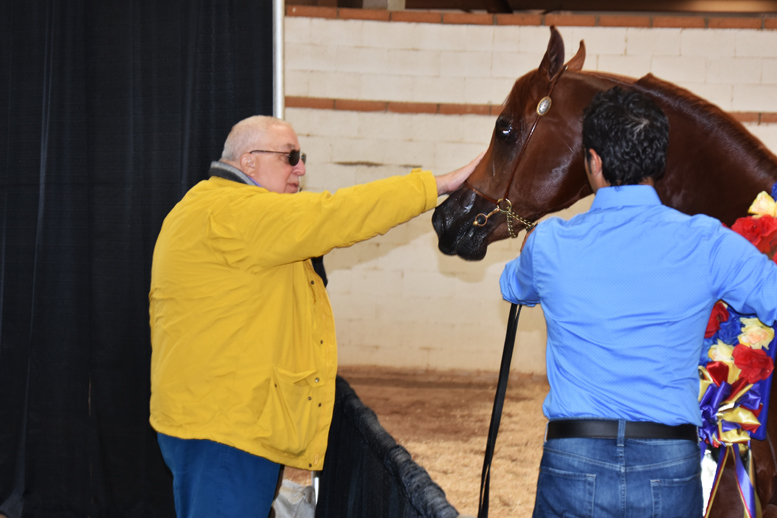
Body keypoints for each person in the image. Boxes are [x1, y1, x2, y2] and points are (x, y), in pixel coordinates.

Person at [148, 115, 483, 518]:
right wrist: (437, 185)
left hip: (215, 424)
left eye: (301, 157)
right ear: (249, 161)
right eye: (290, 157)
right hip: (227, 434)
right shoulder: (236, 211)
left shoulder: (212, 208)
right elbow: (335, 213)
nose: (301, 169)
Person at [500, 87, 777, 517]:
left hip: (575, 457)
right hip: (667, 460)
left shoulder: (550, 244)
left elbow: (512, 287)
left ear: (592, 161)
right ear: (658, 161)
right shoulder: (707, 243)